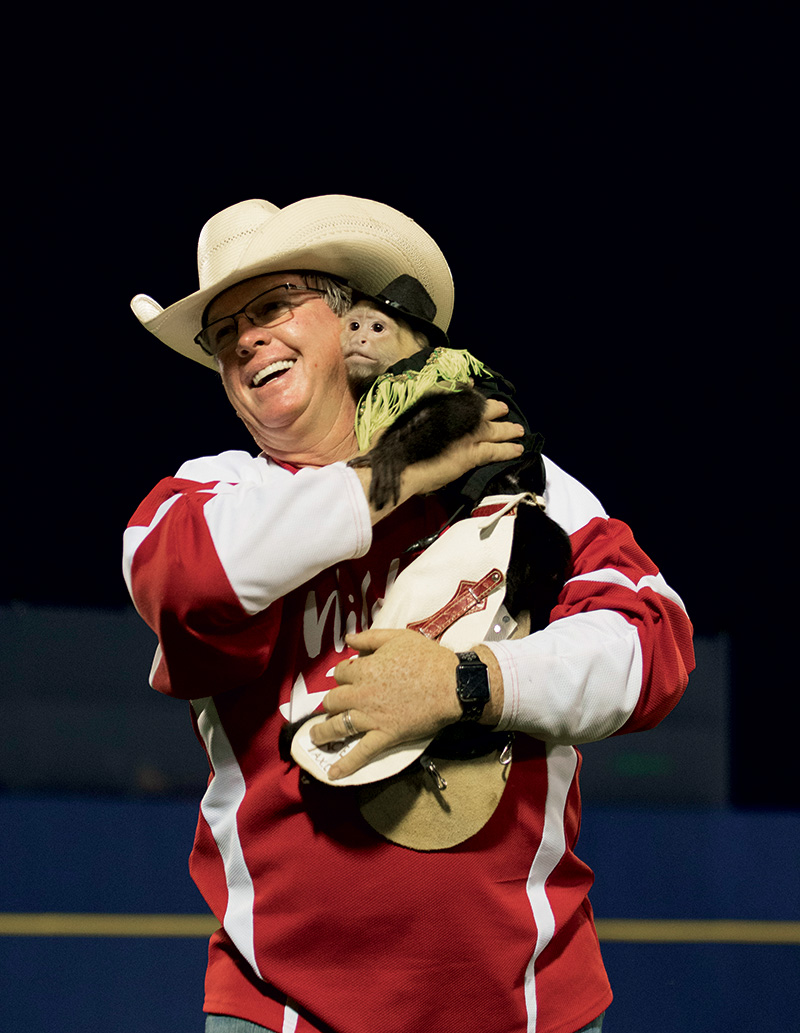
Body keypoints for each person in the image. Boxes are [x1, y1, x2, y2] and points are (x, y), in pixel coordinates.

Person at [124, 194, 695, 1033]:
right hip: (285, 1011)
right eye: (224, 332)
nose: (246, 337)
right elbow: (185, 579)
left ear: (348, 318)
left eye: (274, 305)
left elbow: (654, 647)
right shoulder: (214, 494)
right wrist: (390, 474)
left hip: (528, 1006)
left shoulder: (504, 474)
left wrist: (470, 683)